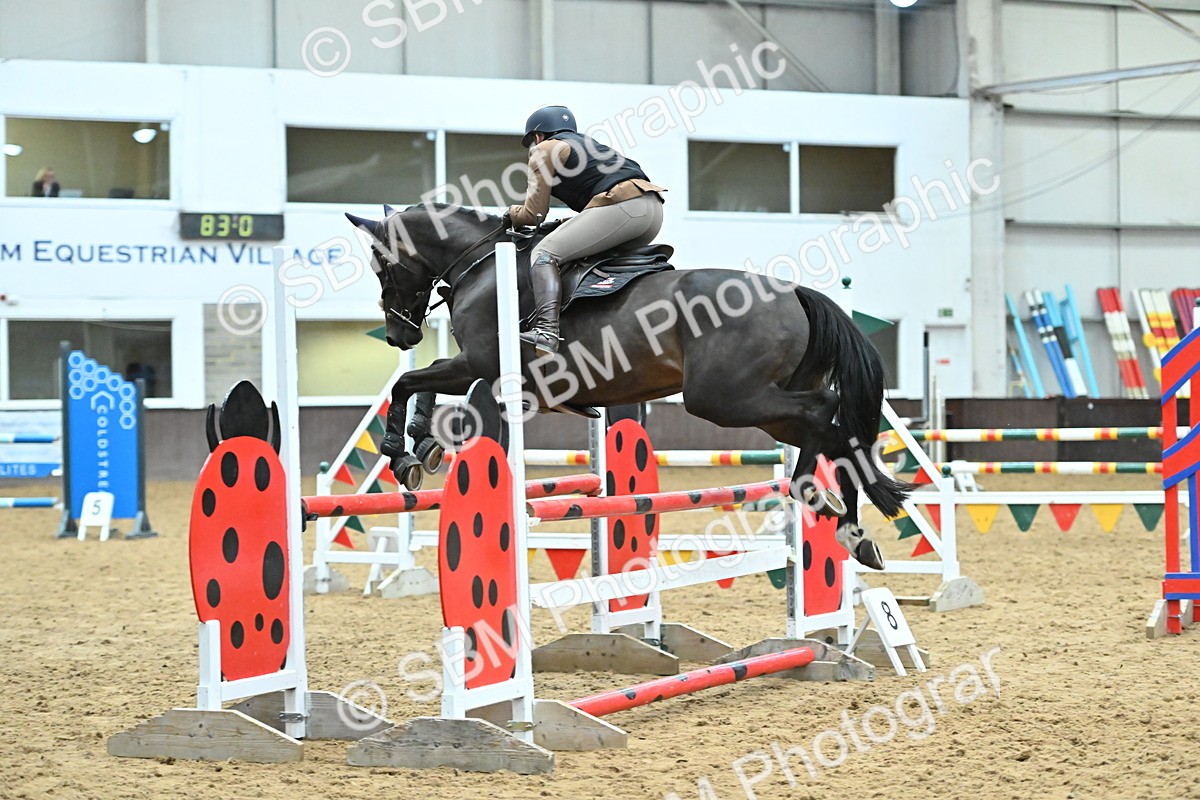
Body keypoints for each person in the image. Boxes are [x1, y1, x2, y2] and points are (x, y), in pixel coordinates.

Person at [508, 105, 666, 355]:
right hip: (652, 212)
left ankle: (547, 331)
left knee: (544, 254)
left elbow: (534, 214)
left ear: (538, 136)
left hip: (624, 208)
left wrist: (511, 214)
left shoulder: (544, 149)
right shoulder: (588, 146)